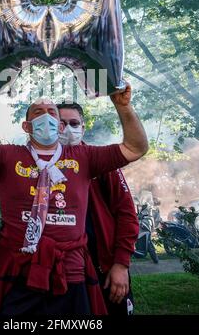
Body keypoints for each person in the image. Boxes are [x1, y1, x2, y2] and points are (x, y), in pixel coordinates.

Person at [0, 73, 148, 316]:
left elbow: (136, 147)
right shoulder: (7, 156)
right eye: (37, 112)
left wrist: (123, 106)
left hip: (71, 273)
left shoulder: (84, 157)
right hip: (19, 273)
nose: (46, 117)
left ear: (60, 126)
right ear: (26, 126)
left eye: (52, 112)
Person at [57, 102, 139, 315]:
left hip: (105, 268)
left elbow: (127, 214)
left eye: (74, 123)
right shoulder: (44, 166)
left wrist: (121, 264)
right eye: (61, 124)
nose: (67, 129)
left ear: (83, 128)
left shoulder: (101, 162)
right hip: (63, 271)